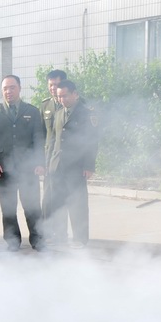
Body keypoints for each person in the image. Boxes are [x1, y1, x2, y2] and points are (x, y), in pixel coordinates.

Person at [0, 75, 46, 252]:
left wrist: (39, 162)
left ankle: (38, 239)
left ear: (19, 88)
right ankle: (12, 241)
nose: (8, 91)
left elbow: (39, 138)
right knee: (8, 208)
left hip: (28, 168)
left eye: (12, 87)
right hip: (4, 169)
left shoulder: (32, 111)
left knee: (32, 206)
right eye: (5, 88)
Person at [47, 80, 99, 249]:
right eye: (59, 96)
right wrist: (49, 163)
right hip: (57, 166)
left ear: (75, 94)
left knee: (78, 204)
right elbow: (53, 140)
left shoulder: (87, 114)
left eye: (65, 96)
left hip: (76, 167)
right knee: (58, 203)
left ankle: (80, 239)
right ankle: (60, 236)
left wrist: (89, 166)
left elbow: (92, 142)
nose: (62, 99)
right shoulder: (58, 113)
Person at [40, 70, 69, 244]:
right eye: (50, 85)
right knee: (47, 199)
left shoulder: (73, 104)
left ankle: (61, 234)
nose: (53, 88)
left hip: (67, 161)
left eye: (56, 85)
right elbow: (41, 135)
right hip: (49, 160)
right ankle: (47, 233)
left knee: (62, 199)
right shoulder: (45, 106)